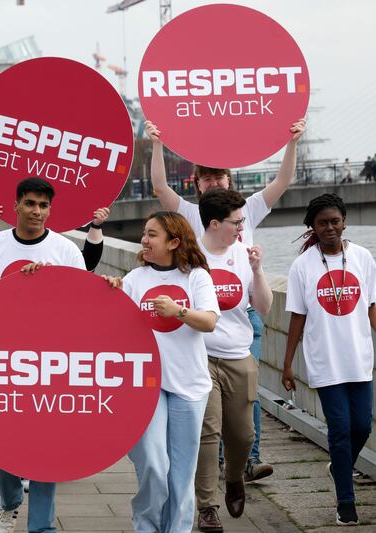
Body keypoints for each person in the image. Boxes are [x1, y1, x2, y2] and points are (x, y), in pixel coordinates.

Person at [146, 118, 306, 482]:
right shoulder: (188, 215)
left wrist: (292, 142)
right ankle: (215, 462)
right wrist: (157, 143)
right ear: (197, 183)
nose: (214, 182)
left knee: (246, 394)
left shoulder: (246, 210)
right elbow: (159, 187)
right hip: (200, 320)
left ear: (230, 181)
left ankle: (249, 458)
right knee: (207, 395)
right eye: (207, 178)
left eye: (220, 177)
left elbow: (282, 182)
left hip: (243, 316)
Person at [0, 177, 86, 533]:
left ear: (50, 210)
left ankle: (42, 526)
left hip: (52, 363)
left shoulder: (66, 250)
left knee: (45, 449)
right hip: (2, 362)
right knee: (2, 444)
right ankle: (9, 501)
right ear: (16, 206)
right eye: (30, 204)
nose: (37, 211)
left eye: (43, 205)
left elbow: (82, 305)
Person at [282, 193, 376, 526]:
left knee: (362, 426)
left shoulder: (362, 257)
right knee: (340, 430)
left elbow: (370, 305)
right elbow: (296, 318)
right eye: (322, 223)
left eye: (335, 221)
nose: (330, 228)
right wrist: (288, 362)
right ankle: (346, 502)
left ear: (344, 221)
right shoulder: (302, 266)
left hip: (358, 358)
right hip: (324, 361)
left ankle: (340, 466)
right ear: (313, 227)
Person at [102, 211, 219, 533]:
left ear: (174, 242)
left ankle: (176, 530)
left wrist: (178, 311)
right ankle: (147, 526)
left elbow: (209, 321)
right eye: (144, 232)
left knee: (182, 472)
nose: (144, 239)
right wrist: (112, 291)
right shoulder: (136, 279)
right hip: (146, 386)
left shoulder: (197, 277)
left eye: (152, 234)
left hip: (189, 385)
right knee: (153, 463)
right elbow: (112, 325)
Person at [193, 189, 273, 532]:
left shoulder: (242, 253)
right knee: (208, 433)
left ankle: (235, 476)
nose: (242, 226)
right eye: (236, 221)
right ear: (214, 224)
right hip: (200, 355)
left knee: (243, 435)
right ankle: (206, 507)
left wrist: (257, 270)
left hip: (239, 356)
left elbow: (265, 307)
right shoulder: (190, 256)